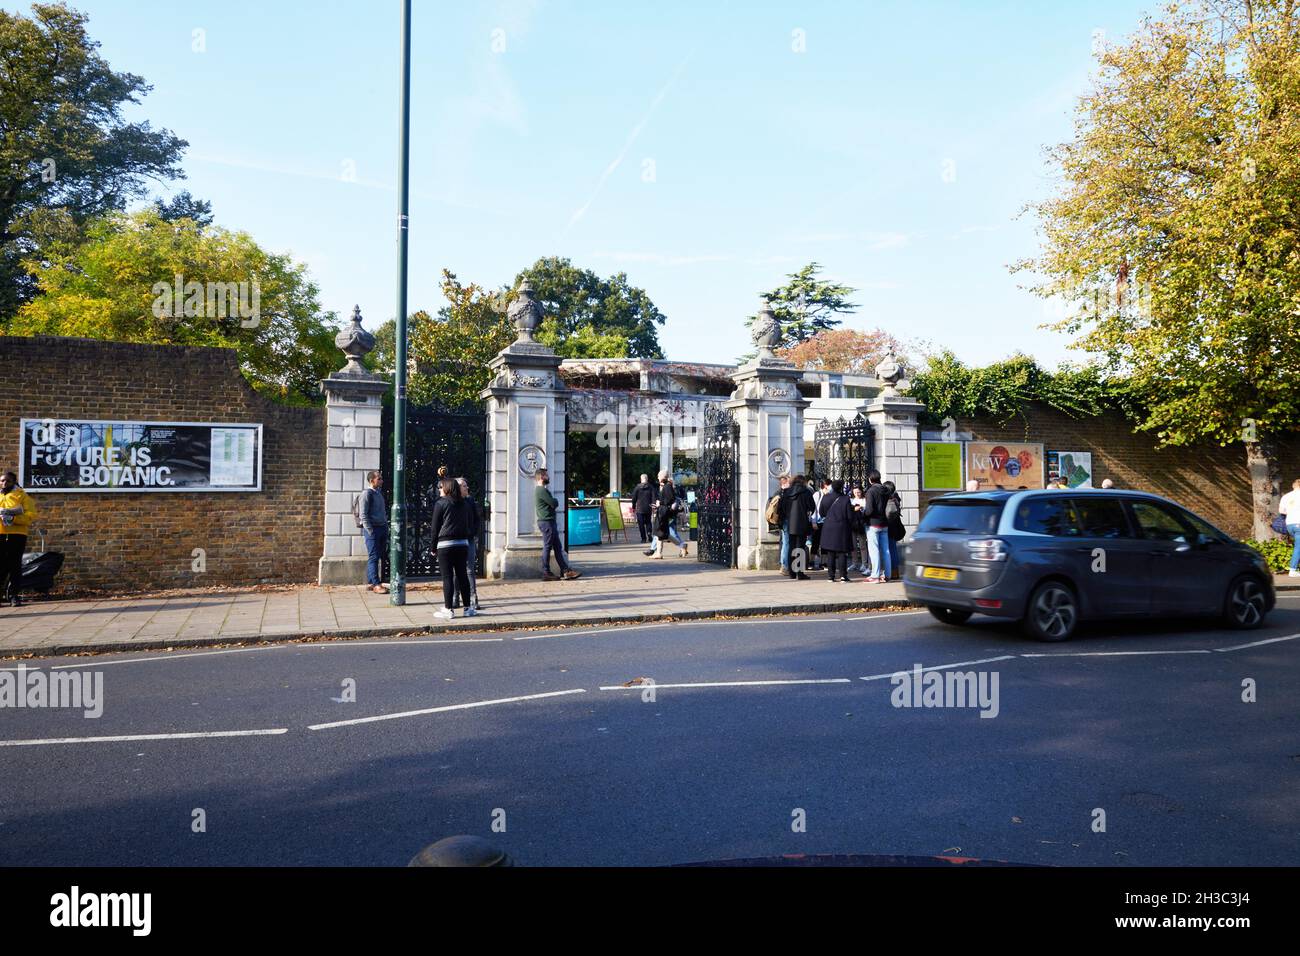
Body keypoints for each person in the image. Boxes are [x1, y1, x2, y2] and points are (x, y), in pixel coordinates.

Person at [429, 478, 476, 619]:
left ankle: (448, 609)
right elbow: (469, 523)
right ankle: (468, 608)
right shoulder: (465, 504)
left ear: (447, 488)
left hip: (445, 545)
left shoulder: (440, 504)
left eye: (441, 487)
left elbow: (435, 528)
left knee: (447, 577)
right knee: (462, 575)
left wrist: (433, 547)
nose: (439, 489)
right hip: (462, 543)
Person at [535, 469, 580, 581]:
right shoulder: (541, 491)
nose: (548, 477)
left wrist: (553, 502)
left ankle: (566, 571)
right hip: (547, 522)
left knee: (558, 548)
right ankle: (546, 572)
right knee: (547, 547)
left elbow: (552, 503)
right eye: (546, 475)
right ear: (541, 477)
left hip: (549, 522)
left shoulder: (542, 490)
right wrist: (553, 501)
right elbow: (553, 503)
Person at [0, 472, 36, 607]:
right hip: (0, 533)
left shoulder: (22, 496)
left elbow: (31, 515)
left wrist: (14, 518)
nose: (4, 483)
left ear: (14, 482)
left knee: (14, 566)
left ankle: (14, 596)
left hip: (17, 534)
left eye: (8, 481)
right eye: (2, 481)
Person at [357, 471, 389, 594]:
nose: (381, 481)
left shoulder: (378, 493)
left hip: (381, 528)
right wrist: (370, 530)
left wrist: (385, 526)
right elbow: (363, 515)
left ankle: (371, 582)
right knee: (374, 556)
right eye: (379, 479)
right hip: (373, 530)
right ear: (372, 480)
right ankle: (376, 584)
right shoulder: (366, 494)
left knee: (377, 556)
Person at [818, 478, 855, 582]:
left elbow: (821, 513)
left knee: (830, 553)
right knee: (842, 552)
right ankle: (843, 575)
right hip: (842, 527)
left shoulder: (825, 497)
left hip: (828, 527)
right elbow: (849, 516)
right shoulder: (845, 499)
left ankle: (831, 576)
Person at [781, 474, 815, 580]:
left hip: (790, 523)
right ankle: (799, 573)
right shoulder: (806, 492)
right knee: (800, 547)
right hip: (802, 522)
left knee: (791, 547)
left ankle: (791, 572)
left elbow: (782, 508)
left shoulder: (787, 492)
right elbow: (812, 507)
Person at [456, 477, 483, 610]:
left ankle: (473, 597)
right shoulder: (452, 502)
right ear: (458, 488)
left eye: (466, 486)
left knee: (470, 569)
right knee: (456, 569)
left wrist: (472, 532)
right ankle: (455, 597)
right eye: (464, 486)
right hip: (456, 540)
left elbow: (477, 518)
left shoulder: (470, 500)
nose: (467, 488)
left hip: (469, 539)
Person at [648, 470, 688, 558]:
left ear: (662, 477)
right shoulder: (666, 486)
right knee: (662, 533)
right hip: (663, 512)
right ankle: (659, 552)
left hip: (664, 514)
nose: (658, 477)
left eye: (659, 476)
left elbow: (669, 501)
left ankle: (660, 552)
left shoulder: (667, 487)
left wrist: (659, 504)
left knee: (661, 532)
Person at [863, 470, 891, 583]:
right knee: (886, 550)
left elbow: (869, 510)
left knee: (874, 550)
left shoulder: (871, 491)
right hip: (884, 523)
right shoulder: (886, 490)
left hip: (873, 523)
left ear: (870, 480)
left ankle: (875, 576)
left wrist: (862, 512)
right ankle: (887, 575)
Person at [883, 479, 906, 579]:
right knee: (893, 549)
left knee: (890, 550)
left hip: (888, 526)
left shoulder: (888, 500)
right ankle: (895, 572)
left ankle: (891, 572)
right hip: (895, 526)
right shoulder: (896, 498)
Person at [1281, 477, 1300, 577]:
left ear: (1293, 486)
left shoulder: (1286, 496)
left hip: (1290, 524)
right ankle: (1292, 570)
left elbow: (1282, 511)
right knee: (1298, 547)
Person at [632, 473, 657, 544]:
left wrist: (633, 506)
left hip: (640, 508)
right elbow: (654, 497)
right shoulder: (651, 487)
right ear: (647, 479)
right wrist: (653, 505)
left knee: (641, 524)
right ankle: (649, 534)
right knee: (648, 522)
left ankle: (643, 538)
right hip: (648, 508)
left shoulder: (637, 487)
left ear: (641, 479)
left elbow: (634, 498)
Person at [774, 475, 792, 573]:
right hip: (786, 521)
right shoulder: (783, 494)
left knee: (784, 542)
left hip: (781, 521)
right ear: (784, 483)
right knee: (786, 542)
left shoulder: (778, 493)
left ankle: (783, 564)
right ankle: (784, 565)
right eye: (788, 482)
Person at [849, 485, 869, 572]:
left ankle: (864, 563)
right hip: (853, 525)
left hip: (862, 524)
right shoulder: (851, 500)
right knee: (853, 546)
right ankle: (854, 563)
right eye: (855, 492)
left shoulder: (865, 500)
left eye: (858, 492)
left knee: (862, 545)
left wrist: (861, 508)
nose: (857, 494)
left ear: (862, 491)